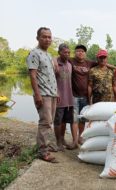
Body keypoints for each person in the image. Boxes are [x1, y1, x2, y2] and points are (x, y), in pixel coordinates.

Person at [26, 27, 58, 162]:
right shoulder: (34, 54)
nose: (47, 39)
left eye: (49, 37)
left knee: (50, 121)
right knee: (45, 123)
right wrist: (37, 95)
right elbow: (33, 76)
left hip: (52, 94)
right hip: (43, 94)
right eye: (44, 36)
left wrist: (57, 92)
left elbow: (51, 76)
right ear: (38, 38)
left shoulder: (49, 55)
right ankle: (42, 152)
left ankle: (47, 145)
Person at [53, 43, 76, 151]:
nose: (67, 54)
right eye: (64, 52)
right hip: (59, 99)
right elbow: (51, 81)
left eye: (68, 52)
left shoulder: (70, 65)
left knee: (65, 121)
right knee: (57, 121)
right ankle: (58, 142)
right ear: (59, 53)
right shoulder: (55, 64)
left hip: (69, 99)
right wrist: (56, 92)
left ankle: (62, 138)